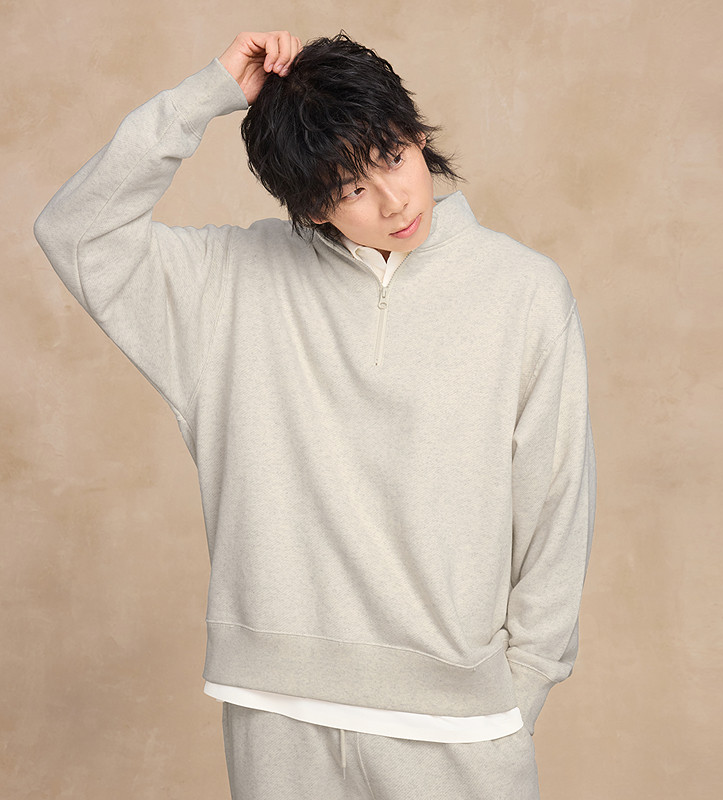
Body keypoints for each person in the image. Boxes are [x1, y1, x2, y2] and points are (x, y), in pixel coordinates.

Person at [34, 30, 596, 800]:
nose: (395, 200)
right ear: (309, 207)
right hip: (280, 716)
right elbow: (76, 230)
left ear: (418, 135)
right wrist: (206, 95)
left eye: (393, 156)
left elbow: (556, 503)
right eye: (350, 188)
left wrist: (521, 689)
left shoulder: (524, 293)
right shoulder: (226, 285)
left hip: (460, 724)